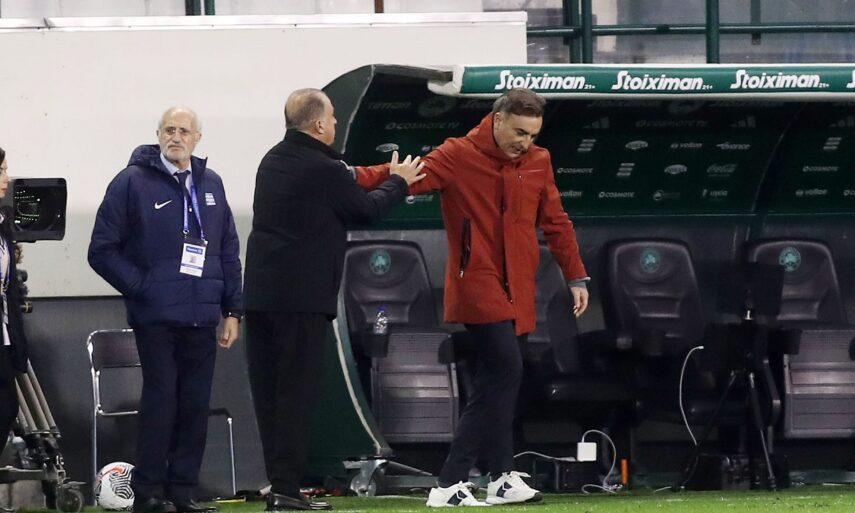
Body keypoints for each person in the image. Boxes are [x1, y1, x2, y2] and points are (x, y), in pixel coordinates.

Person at [358, 88, 590, 507]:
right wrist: (348, 176)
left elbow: (556, 221)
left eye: (533, 135)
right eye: (519, 132)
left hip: (519, 286)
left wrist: (576, 275)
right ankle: (449, 481)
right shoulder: (458, 154)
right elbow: (407, 175)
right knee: (505, 371)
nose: (526, 143)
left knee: (499, 379)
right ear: (497, 120)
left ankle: (501, 477)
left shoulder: (538, 161)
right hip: (477, 283)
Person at [242, 88, 425, 512]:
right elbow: (365, 210)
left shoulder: (273, 159)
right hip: (300, 300)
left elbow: (348, 180)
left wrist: (380, 173)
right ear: (320, 123)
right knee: (295, 395)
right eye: (334, 117)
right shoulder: (322, 168)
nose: (337, 124)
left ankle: (281, 485)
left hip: (262, 297)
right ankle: (286, 491)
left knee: (271, 396)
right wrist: (400, 181)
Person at [88, 107, 242, 513]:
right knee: (162, 402)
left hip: (202, 314)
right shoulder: (130, 182)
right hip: (156, 316)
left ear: (197, 138)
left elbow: (228, 249)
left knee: (194, 405)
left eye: (184, 131)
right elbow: (101, 250)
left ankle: (183, 491)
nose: (176, 137)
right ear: (157, 135)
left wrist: (233, 309)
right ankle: (149, 492)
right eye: (169, 130)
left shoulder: (212, 183)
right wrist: (143, 288)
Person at [0, 148, 29, 475]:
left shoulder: (3, 223)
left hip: (4, 332)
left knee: (7, 407)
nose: (7, 178)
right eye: (1, 171)